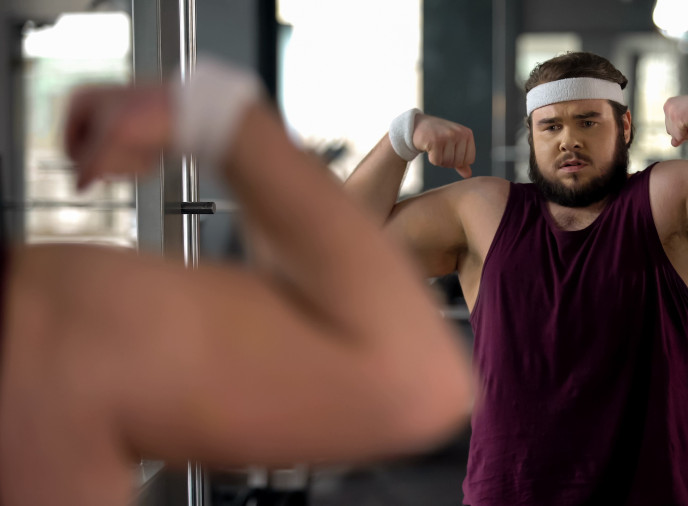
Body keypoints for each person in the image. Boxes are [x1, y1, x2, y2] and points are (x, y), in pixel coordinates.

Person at [344, 51, 688, 505]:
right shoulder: (483, 211)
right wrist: (399, 140)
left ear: (623, 125)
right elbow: (339, 250)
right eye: (550, 126)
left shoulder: (667, 198)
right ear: (531, 136)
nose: (568, 140)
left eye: (588, 121)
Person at [0, 58, 473, 506]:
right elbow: (411, 384)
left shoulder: (41, 318)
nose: (553, 142)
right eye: (547, 125)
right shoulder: (40, 315)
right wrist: (223, 116)